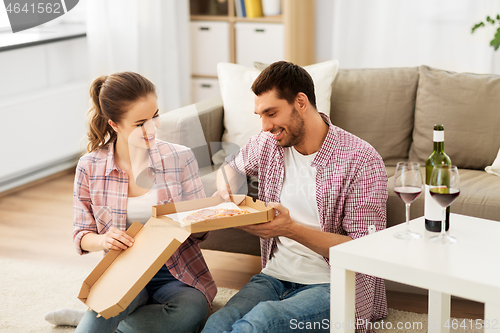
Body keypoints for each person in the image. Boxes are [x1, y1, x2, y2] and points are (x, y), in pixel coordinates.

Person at [201, 61, 388, 333]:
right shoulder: (269, 144)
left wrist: (290, 230)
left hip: (332, 284)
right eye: (260, 115)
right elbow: (231, 166)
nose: (265, 126)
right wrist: (226, 190)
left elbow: (364, 250)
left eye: (271, 113)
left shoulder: (361, 159)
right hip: (274, 277)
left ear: (301, 102)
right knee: (218, 324)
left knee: (261, 322)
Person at [47, 72, 216, 333]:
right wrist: (103, 240)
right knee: (100, 318)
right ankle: (98, 318)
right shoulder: (89, 167)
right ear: (114, 124)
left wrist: (210, 211)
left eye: (155, 116)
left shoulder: (180, 158)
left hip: (176, 272)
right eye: (140, 123)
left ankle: (96, 319)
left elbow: (200, 232)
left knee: (189, 316)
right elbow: (81, 234)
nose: (152, 128)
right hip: (124, 271)